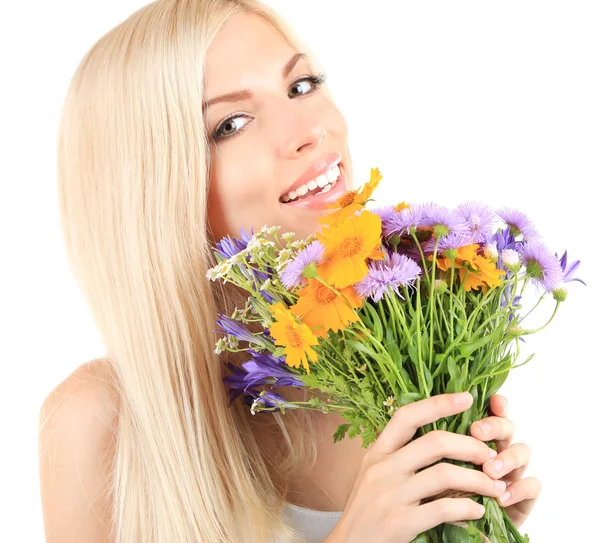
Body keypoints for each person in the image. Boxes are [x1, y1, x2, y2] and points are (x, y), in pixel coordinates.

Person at [38, 1, 541, 542]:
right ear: (153, 190)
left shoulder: (399, 356)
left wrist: (474, 525)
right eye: (230, 124)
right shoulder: (98, 423)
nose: (309, 130)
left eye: (302, 86)